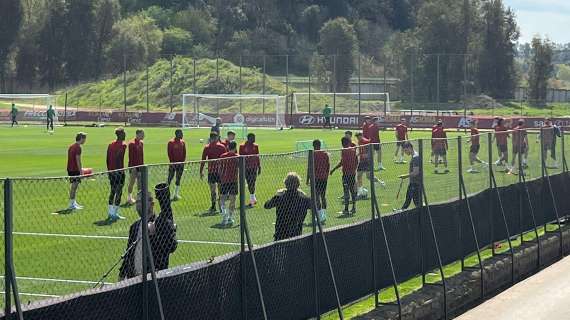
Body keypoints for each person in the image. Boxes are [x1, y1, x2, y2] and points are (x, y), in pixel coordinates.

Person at [119, 188, 177, 280]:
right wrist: (122, 274)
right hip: (133, 279)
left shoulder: (162, 223)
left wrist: (156, 232)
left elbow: (171, 246)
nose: (138, 204)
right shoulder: (134, 227)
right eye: (137, 201)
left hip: (155, 278)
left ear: (152, 204)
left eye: (141, 201)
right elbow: (128, 253)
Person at [264, 172, 312, 241]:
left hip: (280, 231)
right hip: (296, 232)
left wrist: (276, 195)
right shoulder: (302, 198)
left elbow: (266, 205)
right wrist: (306, 196)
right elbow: (316, 206)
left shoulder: (280, 197)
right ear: (298, 185)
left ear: (286, 184)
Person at [200, 132, 227, 213]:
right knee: (220, 190)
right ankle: (222, 207)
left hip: (211, 171)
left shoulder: (207, 147)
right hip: (220, 171)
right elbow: (225, 159)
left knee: (213, 190)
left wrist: (201, 171)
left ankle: (213, 206)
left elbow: (203, 160)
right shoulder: (222, 146)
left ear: (210, 138)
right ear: (217, 137)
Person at [330, 137, 358, 215]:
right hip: (352, 174)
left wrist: (334, 169)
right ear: (349, 142)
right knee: (352, 190)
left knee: (346, 191)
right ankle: (354, 208)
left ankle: (346, 209)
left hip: (346, 174)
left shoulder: (343, 151)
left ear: (342, 143)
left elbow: (342, 162)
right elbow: (356, 160)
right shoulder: (353, 150)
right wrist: (354, 168)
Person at [106, 127, 127, 221]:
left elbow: (107, 159)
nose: (125, 135)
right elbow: (118, 158)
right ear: (121, 135)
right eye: (124, 133)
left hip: (111, 171)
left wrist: (109, 170)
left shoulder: (110, 144)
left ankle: (110, 212)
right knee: (119, 191)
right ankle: (115, 213)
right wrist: (120, 170)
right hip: (119, 172)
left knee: (112, 191)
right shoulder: (123, 145)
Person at [306, 139, 330, 223]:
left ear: (313, 146)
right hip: (324, 178)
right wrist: (326, 175)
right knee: (323, 196)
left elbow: (309, 168)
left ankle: (319, 216)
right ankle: (324, 215)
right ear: (320, 145)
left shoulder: (312, 154)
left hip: (316, 178)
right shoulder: (325, 154)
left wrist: (307, 179)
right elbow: (328, 165)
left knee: (316, 197)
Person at [219, 141, 239, 226]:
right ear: (235, 147)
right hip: (233, 181)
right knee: (232, 199)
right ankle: (230, 217)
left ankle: (224, 215)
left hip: (224, 181)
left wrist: (221, 178)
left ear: (228, 147)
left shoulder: (222, 156)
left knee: (222, 199)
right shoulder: (238, 157)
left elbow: (220, 169)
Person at [239, 133, 261, 207]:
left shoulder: (256, 146)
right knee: (249, 182)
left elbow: (257, 156)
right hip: (246, 168)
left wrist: (259, 166)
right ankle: (253, 198)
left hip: (254, 167)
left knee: (252, 182)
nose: (254, 139)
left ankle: (252, 199)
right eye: (253, 138)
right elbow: (240, 158)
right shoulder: (242, 146)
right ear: (249, 138)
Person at [67, 132, 87, 210]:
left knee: (73, 186)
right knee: (74, 187)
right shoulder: (78, 147)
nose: (85, 141)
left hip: (70, 168)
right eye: (84, 139)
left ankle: (73, 202)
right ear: (81, 138)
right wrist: (81, 171)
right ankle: (71, 204)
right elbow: (78, 160)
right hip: (74, 169)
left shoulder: (71, 146)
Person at [399, 142, 422, 210]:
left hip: (416, 183)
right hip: (414, 183)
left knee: (415, 202)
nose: (405, 153)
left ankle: (401, 211)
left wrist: (404, 176)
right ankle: (401, 210)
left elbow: (416, 172)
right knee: (409, 200)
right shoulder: (415, 156)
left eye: (406, 150)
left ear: (410, 148)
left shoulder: (415, 157)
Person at [167, 129, 186, 201]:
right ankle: (166, 193)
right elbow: (169, 154)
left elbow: (184, 153)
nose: (182, 135)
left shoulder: (183, 142)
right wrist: (172, 163)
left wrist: (182, 162)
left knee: (178, 179)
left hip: (180, 164)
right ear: (177, 134)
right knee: (170, 178)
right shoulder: (171, 142)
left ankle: (176, 194)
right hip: (173, 164)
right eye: (181, 133)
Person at [127, 129, 145, 205]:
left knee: (140, 183)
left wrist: (142, 165)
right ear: (137, 134)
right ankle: (129, 198)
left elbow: (142, 156)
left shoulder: (141, 143)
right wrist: (132, 168)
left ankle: (139, 197)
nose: (144, 136)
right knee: (132, 182)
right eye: (142, 134)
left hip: (140, 167)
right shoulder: (131, 144)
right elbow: (131, 157)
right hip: (133, 167)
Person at [355, 132, 371, 199]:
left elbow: (370, 151)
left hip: (366, 161)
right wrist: (358, 154)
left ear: (361, 135)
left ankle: (379, 182)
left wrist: (367, 155)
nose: (358, 138)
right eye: (357, 137)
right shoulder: (359, 142)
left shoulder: (366, 141)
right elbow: (361, 151)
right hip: (361, 161)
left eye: (358, 137)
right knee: (358, 176)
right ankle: (361, 192)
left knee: (369, 177)